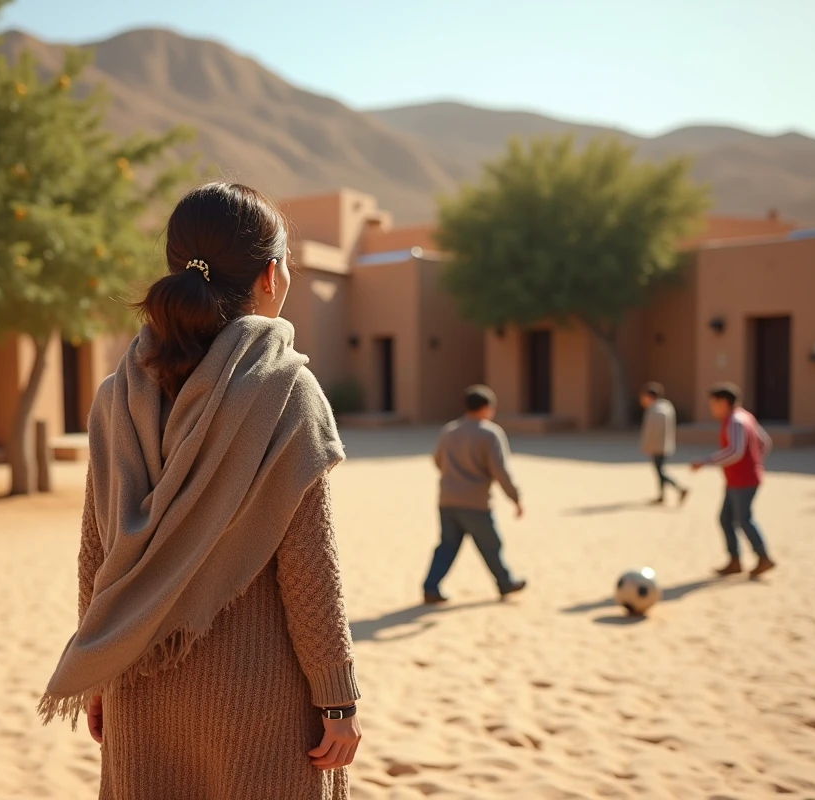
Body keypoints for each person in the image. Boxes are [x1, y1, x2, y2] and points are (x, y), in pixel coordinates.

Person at [39, 183, 361, 799]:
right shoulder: (284, 391)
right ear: (270, 275)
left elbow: (98, 552)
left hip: (138, 683)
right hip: (258, 702)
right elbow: (309, 566)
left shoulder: (116, 395)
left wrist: (100, 665)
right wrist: (337, 698)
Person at [423, 385, 527, 604]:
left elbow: (437, 460)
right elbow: (500, 470)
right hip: (476, 503)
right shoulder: (489, 433)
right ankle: (505, 582)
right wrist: (515, 497)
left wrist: (454, 477)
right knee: (491, 545)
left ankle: (430, 587)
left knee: (447, 546)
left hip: (447, 500)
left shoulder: (449, 430)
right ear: (486, 408)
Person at [691, 382, 776, 578]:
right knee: (726, 519)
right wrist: (755, 462)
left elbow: (735, 451)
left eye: (713, 403)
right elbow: (764, 443)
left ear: (723, 402)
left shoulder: (736, 421)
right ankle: (735, 560)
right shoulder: (745, 417)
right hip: (737, 479)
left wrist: (706, 461)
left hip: (742, 480)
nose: (711, 408)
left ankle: (763, 557)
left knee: (743, 519)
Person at [638, 382, 689, 506]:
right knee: (659, 470)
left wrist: (647, 446)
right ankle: (662, 496)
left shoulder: (656, 410)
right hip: (665, 444)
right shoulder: (666, 406)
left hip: (658, 445)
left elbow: (652, 432)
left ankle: (679, 488)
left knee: (660, 471)